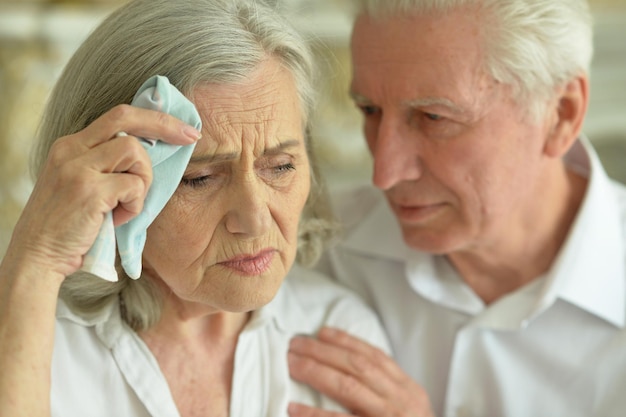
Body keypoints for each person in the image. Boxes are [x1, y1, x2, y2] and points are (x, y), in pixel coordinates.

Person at [0, 0, 390, 416]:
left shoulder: (339, 339)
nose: (255, 220)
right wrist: (36, 261)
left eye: (280, 167)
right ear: (105, 177)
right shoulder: (40, 337)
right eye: (199, 179)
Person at [287, 1, 626, 416]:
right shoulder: (308, 245)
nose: (385, 172)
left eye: (433, 117)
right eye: (370, 110)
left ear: (561, 115)